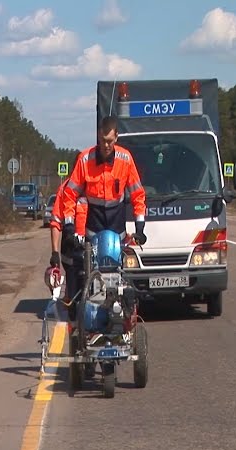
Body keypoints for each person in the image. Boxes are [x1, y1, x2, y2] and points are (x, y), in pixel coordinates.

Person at [61, 115, 147, 247]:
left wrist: (140, 227)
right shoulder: (85, 160)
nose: (106, 145)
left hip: (117, 225)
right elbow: (69, 194)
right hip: (93, 225)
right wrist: (69, 226)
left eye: (110, 141)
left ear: (116, 137)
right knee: (90, 264)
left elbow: (138, 195)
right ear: (98, 136)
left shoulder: (125, 159)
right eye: (103, 140)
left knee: (119, 264)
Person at [48, 178, 88, 316]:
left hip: (94, 251)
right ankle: (75, 329)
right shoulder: (66, 188)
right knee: (73, 301)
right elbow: (56, 221)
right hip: (71, 255)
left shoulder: (97, 183)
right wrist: (55, 253)